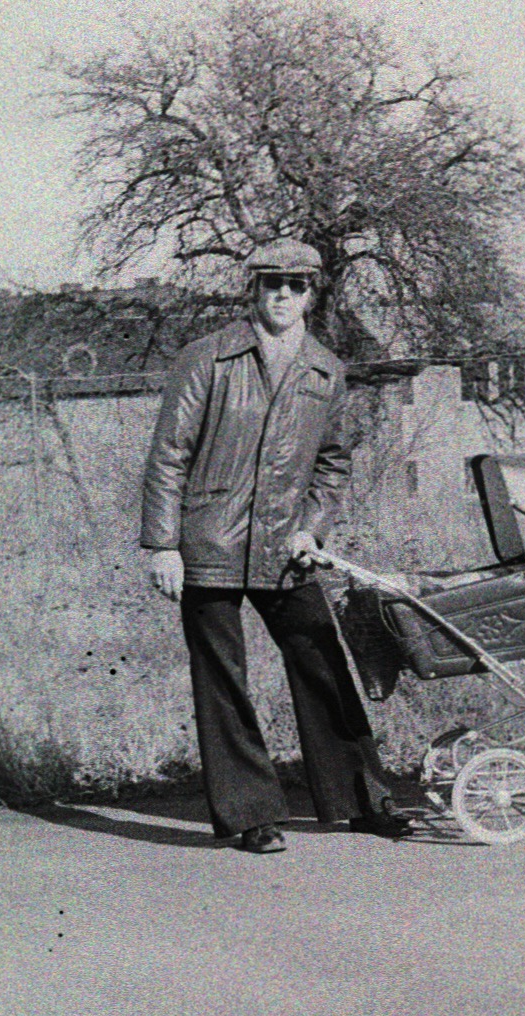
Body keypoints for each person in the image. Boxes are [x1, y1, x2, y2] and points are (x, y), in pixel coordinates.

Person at [139, 237, 411, 853]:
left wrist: (312, 528)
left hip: (285, 550)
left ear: (313, 294)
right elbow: (168, 456)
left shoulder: (326, 370)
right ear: (252, 290)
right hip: (207, 541)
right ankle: (250, 814)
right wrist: (163, 545)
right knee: (222, 677)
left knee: (320, 657)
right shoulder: (206, 359)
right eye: (271, 284)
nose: (283, 295)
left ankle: (362, 798)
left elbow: (332, 464)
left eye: (296, 285)